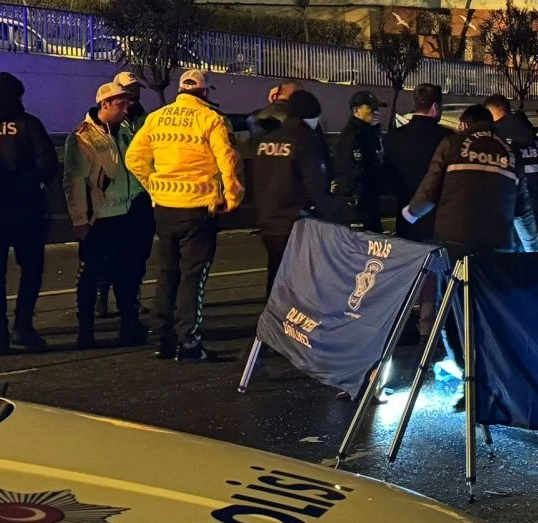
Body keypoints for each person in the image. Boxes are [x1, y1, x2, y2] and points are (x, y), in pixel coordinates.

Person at [402, 104, 523, 409]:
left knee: (455, 315)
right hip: (498, 246)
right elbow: (523, 207)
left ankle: (471, 383)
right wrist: (532, 247)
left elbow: (429, 191)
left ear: (465, 124)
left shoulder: (453, 143)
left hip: (455, 242)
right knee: (489, 313)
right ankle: (495, 382)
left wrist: (409, 215)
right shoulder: (509, 149)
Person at [125, 69, 244, 362]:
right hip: (198, 208)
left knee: (168, 272)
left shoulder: (156, 118)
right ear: (204, 92)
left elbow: (133, 159)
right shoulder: (211, 119)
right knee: (193, 276)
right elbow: (227, 162)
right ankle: (189, 343)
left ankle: (163, 340)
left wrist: (153, 185)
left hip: (165, 207)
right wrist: (232, 197)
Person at [0, 72, 58, 354]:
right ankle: (23, 327)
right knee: (31, 269)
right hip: (25, 209)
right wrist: (30, 183)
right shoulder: (28, 124)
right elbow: (48, 164)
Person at [63, 81, 149, 349]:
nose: (127, 109)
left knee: (126, 274)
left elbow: (132, 169)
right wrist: (79, 220)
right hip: (97, 218)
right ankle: (86, 331)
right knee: (90, 276)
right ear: (104, 105)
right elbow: (73, 181)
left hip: (125, 214)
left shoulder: (123, 131)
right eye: (121, 104)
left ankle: (129, 326)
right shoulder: (83, 137)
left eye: (128, 103)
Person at [253, 89, 343, 293]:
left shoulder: (267, 140)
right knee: (301, 282)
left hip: (269, 220)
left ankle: (271, 321)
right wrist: (333, 217)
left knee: (275, 275)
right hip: (297, 223)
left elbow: (259, 180)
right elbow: (316, 187)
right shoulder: (307, 141)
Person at [384, 83, 452, 340]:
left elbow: (388, 178)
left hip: (405, 214)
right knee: (433, 273)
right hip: (435, 215)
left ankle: (401, 324)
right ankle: (428, 327)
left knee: (408, 269)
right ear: (435, 107)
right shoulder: (445, 139)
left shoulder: (394, 138)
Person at [95, 70, 150, 318]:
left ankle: (130, 298)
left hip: (140, 193)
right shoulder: (104, 124)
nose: (134, 96)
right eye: (128, 91)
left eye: (136, 90)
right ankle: (102, 299)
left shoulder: (144, 119)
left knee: (139, 252)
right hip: (114, 197)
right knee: (109, 254)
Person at [484, 93, 538, 252]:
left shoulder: (499, 138)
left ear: (492, 112)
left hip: (509, 215)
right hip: (532, 213)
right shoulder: (533, 138)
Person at [332, 90, 386, 233]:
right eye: (370, 108)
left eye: (376, 109)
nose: (375, 112)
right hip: (358, 205)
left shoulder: (368, 132)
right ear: (356, 111)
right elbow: (356, 171)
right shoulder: (355, 136)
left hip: (367, 201)